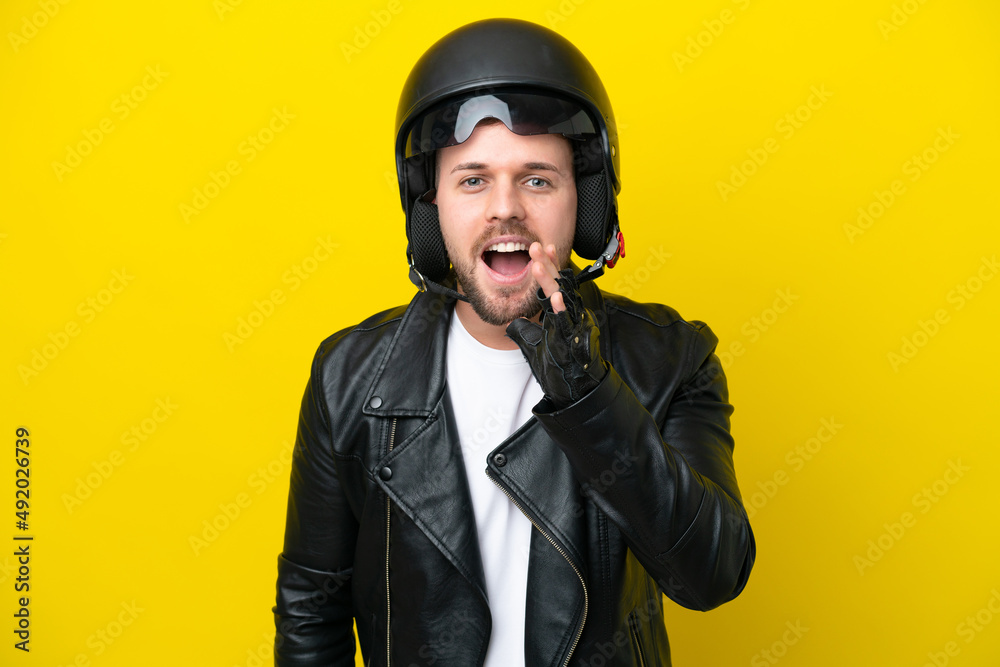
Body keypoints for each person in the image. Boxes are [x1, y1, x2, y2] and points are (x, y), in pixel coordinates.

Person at [273, 18, 755, 667]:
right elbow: (312, 608)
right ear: (431, 208)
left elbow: (712, 573)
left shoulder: (671, 359)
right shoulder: (348, 376)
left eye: (538, 179)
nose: (506, 209)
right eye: (473, 179)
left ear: (585, 207)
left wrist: (590, 396)